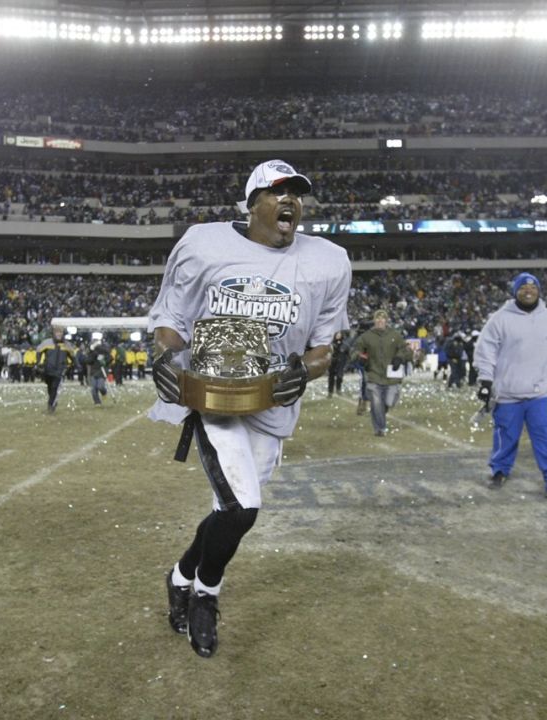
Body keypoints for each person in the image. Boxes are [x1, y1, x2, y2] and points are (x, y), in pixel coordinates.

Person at [149, 159, 351, 659]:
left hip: (271, 401)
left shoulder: (329, 260)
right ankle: (205, 595)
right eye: (277, 191)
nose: (290, 201)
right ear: (251, 202)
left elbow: (325, 347)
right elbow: (171, 319)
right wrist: (164, 356)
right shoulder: (204, 243)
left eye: (296, 194)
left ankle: (179, 575)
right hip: (213, 395)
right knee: (243, 506)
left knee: (230, 511)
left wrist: (302, 372)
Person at [473, 272, 547, 500]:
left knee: (546, 436)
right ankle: (499, 470)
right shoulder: (500, 318)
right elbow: (486, 350)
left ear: (539, 291)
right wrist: (485, 379)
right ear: (515, 292)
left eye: (533, 287)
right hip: (508, 391)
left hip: (540, 391)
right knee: (506, 435)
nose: (528, 291)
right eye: (523, 288)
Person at [352, 309, 413, 437]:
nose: (380, 321)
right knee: (376, 402)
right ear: (374, 320)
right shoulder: (366, 336)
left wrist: (400, 357)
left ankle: (380, 414)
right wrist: (359, 357)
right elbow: (355, 350)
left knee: (388, 402)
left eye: (382, 319)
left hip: (392, 376)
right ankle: (379, 428)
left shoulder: (395, 335)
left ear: (386, 320)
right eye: (378, 319)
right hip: (373, 375)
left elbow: (405, 349)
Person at [39, 336, 71, 413]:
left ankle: (50, 406)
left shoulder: (66, 345)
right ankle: (52, 402)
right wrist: (39, 364)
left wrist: (72, 365)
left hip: (59, 370)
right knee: (50, 388)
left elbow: (72, 356)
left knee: (54, 388)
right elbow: (39, 352)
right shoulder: (47, 344)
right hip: (49, 370)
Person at [86, 341, 111, 406]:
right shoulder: (91, 352)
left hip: (101, 372)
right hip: (93, 372)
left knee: (100, 386)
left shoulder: (104, 351)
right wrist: (93, 354)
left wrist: (104, 361)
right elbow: (88, 361)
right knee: (93, 389)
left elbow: (110, 358)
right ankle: (97, 402)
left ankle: (104, 393)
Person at [327, 331, 348, 396]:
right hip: (332, 364)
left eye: (339, 335)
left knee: (339, 377)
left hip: (340, 364)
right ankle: (330, 392)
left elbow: (348, 355)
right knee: (331, 378)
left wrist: (346, 364)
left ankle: (338, 390)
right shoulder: (331, 344)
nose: (338, 336)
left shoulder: (345, 345)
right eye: (337, 335)